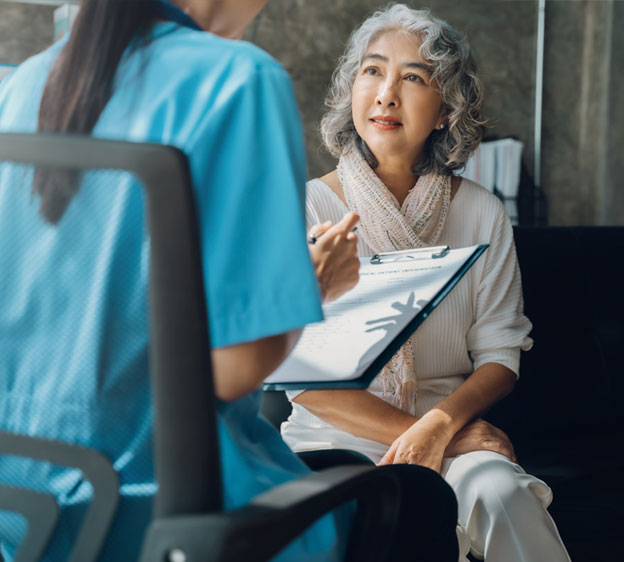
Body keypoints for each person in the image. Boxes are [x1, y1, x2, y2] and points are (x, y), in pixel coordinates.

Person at [0, 1, 458, 561]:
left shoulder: (21, 85)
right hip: (155, 512)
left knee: (345, 469)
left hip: (24, 507)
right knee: (422, 499)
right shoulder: (240, 80)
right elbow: (233, 368)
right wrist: (312, 284)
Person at [281, 5, 572, 562]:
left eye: (413, 77)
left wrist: (442, 427)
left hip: (453, 425)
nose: (386, 93)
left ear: (445, 111)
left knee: (503, 491)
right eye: (373, 71)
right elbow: (302, 380)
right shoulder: (306, 206)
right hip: (333, 441)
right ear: (352, 91)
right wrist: (434, 432)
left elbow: (499, 356)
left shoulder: (482, 213)